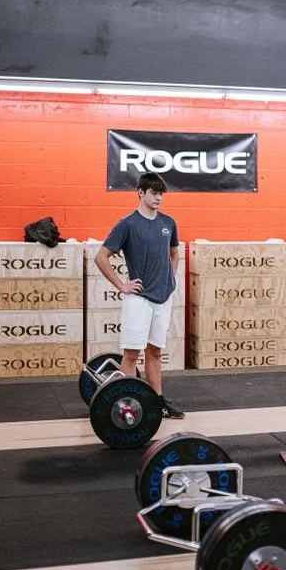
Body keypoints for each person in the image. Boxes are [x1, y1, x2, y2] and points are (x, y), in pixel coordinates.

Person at [94, 172, 185, 419]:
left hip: (163, 298)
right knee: (132, 354)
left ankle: (158, 403)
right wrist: (121, 285)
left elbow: (174, 254)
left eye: (161, 194)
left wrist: (170, 279)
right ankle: (126, 405)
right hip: (139, 299)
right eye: (154, 193)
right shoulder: (127, 224)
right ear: (141, 193)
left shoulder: (168, 223)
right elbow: (101, 257)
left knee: (154, 352)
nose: (158, 198)